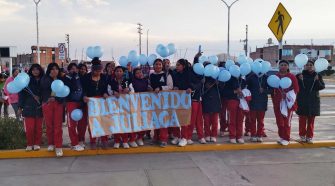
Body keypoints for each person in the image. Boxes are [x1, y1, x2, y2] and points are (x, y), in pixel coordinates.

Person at [82, 58, 109, 149]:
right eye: (96, 71)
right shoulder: (86, 77)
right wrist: (84, 96)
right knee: (92, 122)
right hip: (90, 101)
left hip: (101, 101)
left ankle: (104, 139)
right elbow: (84, 89)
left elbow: (105, 88)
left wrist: (105, 93)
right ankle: (93, 140)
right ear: (92, 69)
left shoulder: (104, 77)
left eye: (99, 71)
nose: (97, 73)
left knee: (103, 120)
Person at [296, 60, 325, 144]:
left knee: (311, 120)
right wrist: (299, 80)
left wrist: (317, 80)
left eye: (311, 65)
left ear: (313, 66)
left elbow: (321, 87)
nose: (309, 66)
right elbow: (295, 86)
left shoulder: (317, 75)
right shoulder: (299, 75)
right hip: (302, 100)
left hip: (313, 101)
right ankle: (302, 136)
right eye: (307, 65)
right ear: (304, 66)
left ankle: (309, 137)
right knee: (302, 119)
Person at [272, 60, 299, 146]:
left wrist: (287, 95)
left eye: (285, 65)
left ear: (288, 67)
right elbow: (273, 90)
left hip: (288, 104)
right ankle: (282, 137)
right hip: (277, 103)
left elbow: (296, 89)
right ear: (279, 66)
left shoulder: (291, 76)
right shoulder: (275, 77)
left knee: (286, 122)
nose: (283, 66)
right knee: (279, 121)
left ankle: (286, 138)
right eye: (281, 65)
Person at [40, 63, 65, 157]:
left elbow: (64, 93)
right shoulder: (45, 79)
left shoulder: (62, 79)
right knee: (49, 125)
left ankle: (58, 146)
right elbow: (43, 90)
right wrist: (48, 98)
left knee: (58, 126)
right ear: (49, 70)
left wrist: (57, 99)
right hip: (47, 104)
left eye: (56, 69)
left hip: (58, 104)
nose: (54, 70)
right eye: (52, 69)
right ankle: (51, 143)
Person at [105, 66, 133, 149]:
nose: (118, 72)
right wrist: (113, 92)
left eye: (120, 71)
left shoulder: (127, 81)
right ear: (114, 72)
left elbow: (133, 90)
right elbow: (108, 91)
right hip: (114, 105)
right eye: (117, 71)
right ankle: (116, 141)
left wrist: (129, 90)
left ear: (123, 72)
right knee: (116, 122)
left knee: (125, 122)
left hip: (125, 105)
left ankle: (124, 141)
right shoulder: (111, 81)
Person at [18, 64, 44, 151]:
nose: (35, 71)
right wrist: (20, 107)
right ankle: (29, 144)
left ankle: (37, 143)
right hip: (28, 107)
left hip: (40, 107)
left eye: (37, 69)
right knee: (29, 128)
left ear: (40, 70)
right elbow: (21, 95)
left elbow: (47, 92)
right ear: (31, 71)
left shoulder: (43, 80)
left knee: (39, 128)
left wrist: (41, 97)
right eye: (33, 70)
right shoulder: (27, 80)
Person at [149, 59, 173, 147]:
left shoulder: (167, 75)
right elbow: (150, 85)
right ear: (153, 66)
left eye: (159, 64)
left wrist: (160, 88)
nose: (158, 66)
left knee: (163, 120)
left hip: (164, 102)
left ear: (162, 66)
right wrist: (150, 88)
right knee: (155, 120)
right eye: (156, 64)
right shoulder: (151, 75)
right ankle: (156, 137)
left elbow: (170, 86)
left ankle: (163, 139)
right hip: (154, 101)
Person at [63, 63, 86, 151]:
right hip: (71, 102)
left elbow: (83, 88)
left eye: (75, 69)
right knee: (71, 124)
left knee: (81, 124)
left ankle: (80, 140)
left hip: (80, 103)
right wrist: (72, 77)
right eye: (72, 69)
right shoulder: (66, 78)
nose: (74, 70)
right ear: (69, 70)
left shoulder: (79, 77)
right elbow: (70, 88)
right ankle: (74, 143)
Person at [171, 59, 192, 147]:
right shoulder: (175, 74)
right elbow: (174, 84)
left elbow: (193, 84)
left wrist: (190, 88)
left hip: (185, 99)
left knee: (184, 119)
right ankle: (177, 136)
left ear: (183, 66)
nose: (177, 66)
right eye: (176, 64)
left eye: (179, 65)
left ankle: (184, 138)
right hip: (176, 98)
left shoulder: (189, 74)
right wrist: (175, 87)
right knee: (175, 118)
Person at [129, 68, 152, 146]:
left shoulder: (146, 81)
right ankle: (132, 139)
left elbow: (148, 89)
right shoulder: (132, 81)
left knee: (143, 121)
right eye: (137, 73)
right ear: (134, 75)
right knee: (135, 122)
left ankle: (140, 137)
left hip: (144, 104)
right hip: (135, 104)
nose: (139, 74)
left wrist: (150, 90)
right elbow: (131, 91)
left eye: (140, 72)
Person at [246, 72, 272, 142]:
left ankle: (259, 135)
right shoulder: (251, 77)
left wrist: (264, 90)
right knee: (252, 120)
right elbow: (246, 86)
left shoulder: (267, 77)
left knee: (260, 120)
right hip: (253, 101)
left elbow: (271, 90)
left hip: (262, 102)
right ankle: (253, 135)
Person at [222, 74, 247, 144]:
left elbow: (246, 91)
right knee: (232, 119)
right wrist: (235, 91)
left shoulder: (243, 81)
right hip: (232, 101)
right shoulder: (229, 80)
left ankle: (239, 136)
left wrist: (243, 93)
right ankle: (232, 136)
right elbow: (225, 92)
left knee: (240, 120)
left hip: (241, 102)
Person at [189, 54, 206, 144]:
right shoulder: (191, 75)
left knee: (199, 120)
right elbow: (194, 87)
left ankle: (201, 136)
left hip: (199, 100)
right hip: (193, 100)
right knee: (192, 120)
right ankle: (188, 137)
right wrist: (196, 57)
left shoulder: (201, 74)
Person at [202, 62, 221, 143]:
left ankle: (213, 135)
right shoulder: (203, 77)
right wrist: (204, 85)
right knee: (206, 121)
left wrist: (219, 84)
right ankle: (207, 135)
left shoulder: (216, 76)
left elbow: (222, 88)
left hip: (215, 101)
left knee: (215, 121)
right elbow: (201, 90)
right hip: (206, 100)